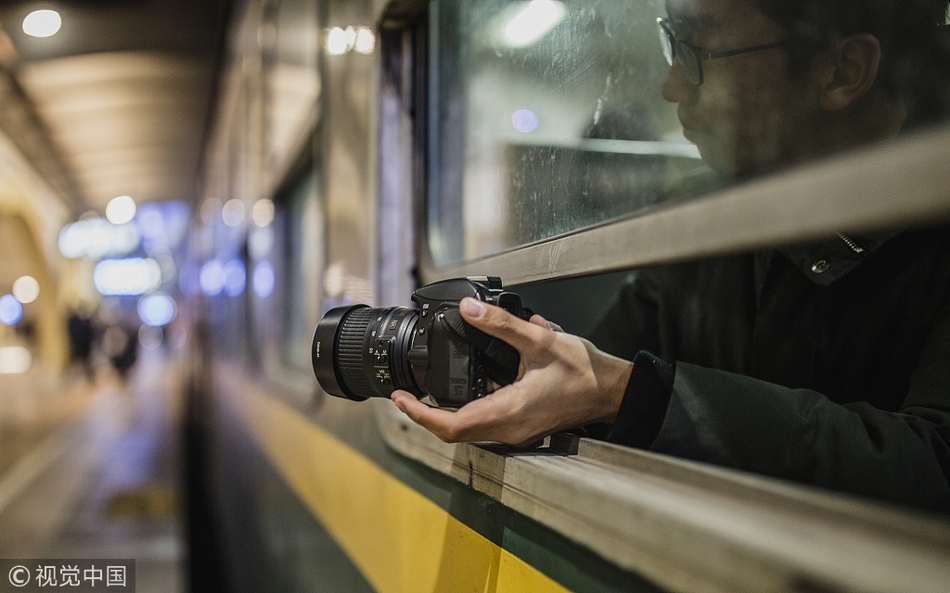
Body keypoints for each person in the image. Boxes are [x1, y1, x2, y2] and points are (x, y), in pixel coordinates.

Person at [391, 0, 950, 512]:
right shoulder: (705, 219)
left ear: (843, 70)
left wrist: (623, 393)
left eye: (697, 53)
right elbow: (601, 362)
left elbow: (934, 462)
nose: (671, 86)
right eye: (670, 44)